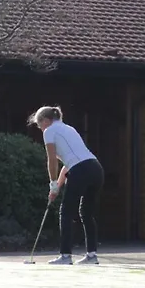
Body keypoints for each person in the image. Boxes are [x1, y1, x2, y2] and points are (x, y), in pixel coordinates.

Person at [28, 105, 105, 265]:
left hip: (81, 170)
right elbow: (68, 164)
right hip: (96, 168)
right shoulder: (69, 129)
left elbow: (52, 160)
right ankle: (92, 255)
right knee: (86, 213)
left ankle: (65, 256)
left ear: (46, 120)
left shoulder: (49, 131)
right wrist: (57, 187)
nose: (40, 129)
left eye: (40, 125)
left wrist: (52, 183)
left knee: (66, 212)